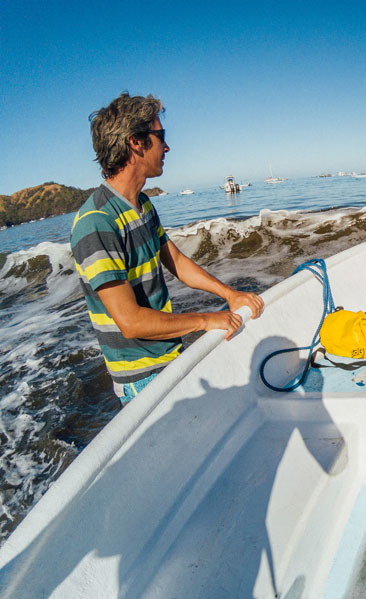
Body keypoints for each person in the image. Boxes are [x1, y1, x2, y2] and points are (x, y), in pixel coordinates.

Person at [70, 92, 264, 404]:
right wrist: (205, 320)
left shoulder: (142, 204)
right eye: (160, 136)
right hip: (143, 377)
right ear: (136, 142)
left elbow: (174, 259)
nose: (167, 146)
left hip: (169, 356)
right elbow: (130, 322)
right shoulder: (97, 222)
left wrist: (229, 294)